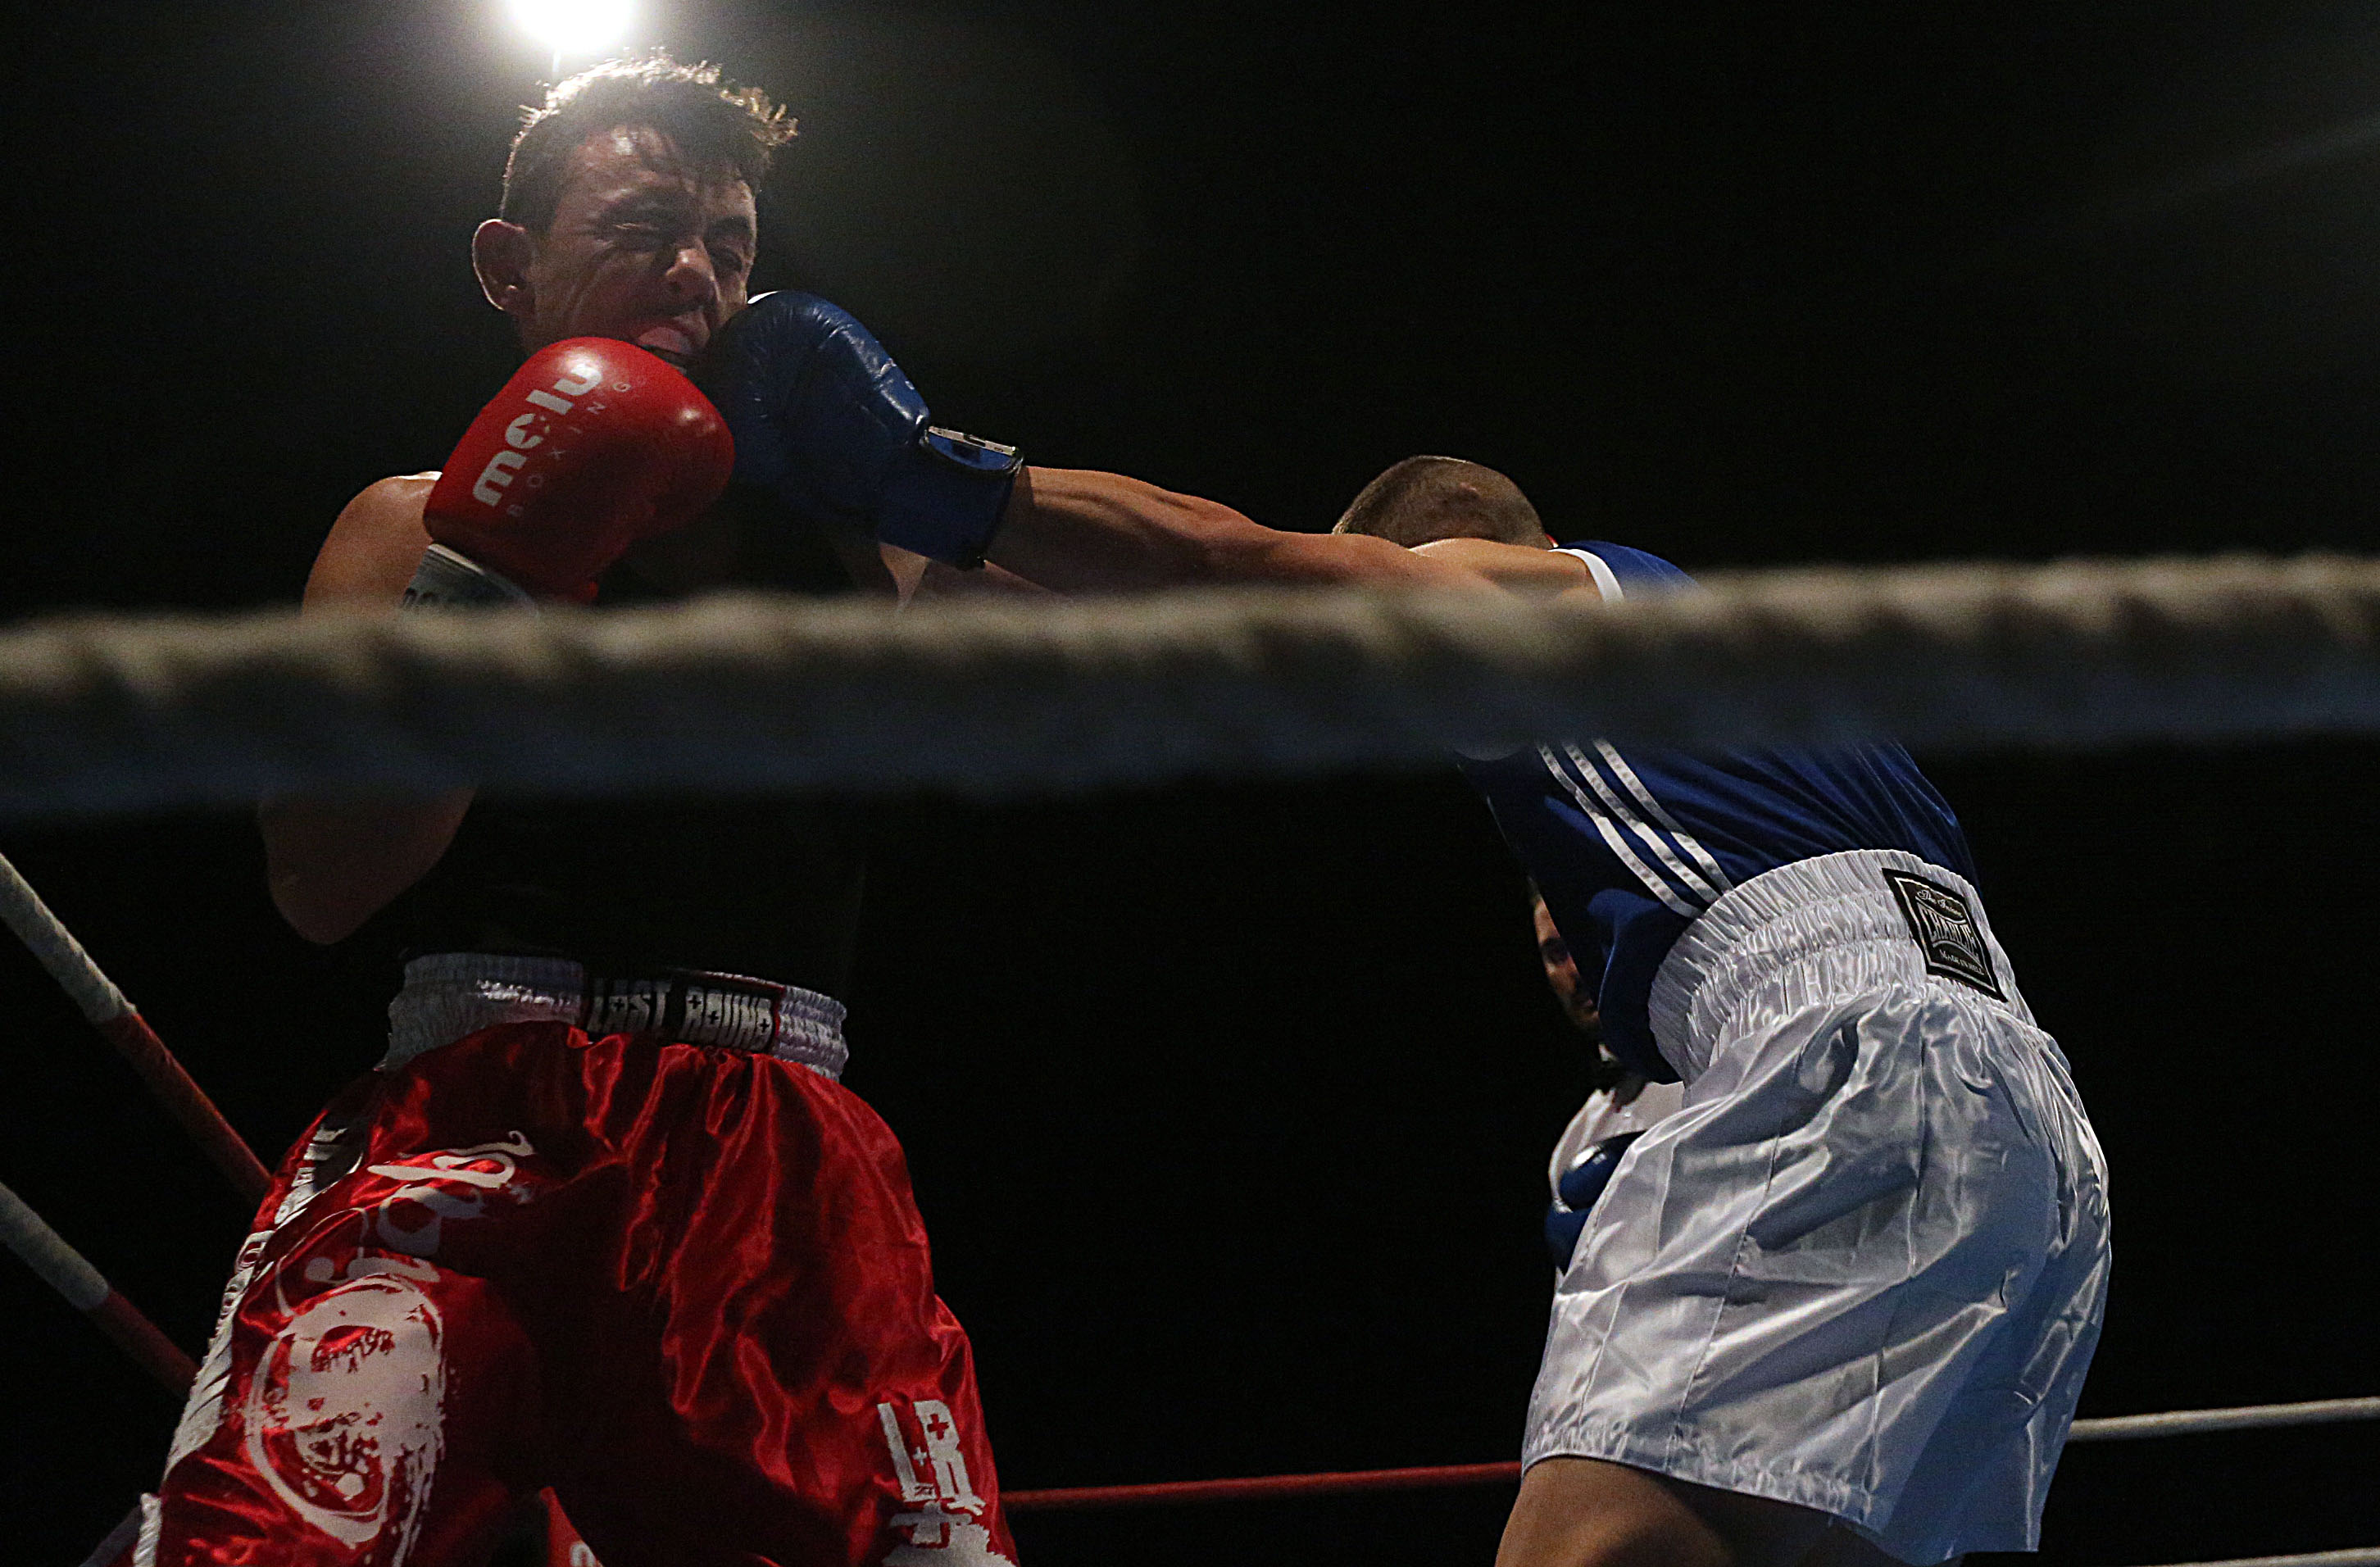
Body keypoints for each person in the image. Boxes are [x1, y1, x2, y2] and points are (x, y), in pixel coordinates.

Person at [713, 302, 2109, 1566]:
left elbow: (1229, 570)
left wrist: (925, 478)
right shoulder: (1771, 704)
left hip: (1838, 1071)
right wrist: (892, 551)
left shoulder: (1533, 600)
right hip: (2021, 1129)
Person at [143, 57, 1029, 1567]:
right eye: (640, 225)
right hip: (482, 1117)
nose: (695, 272)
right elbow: (320, 877)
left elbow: (1124, 642)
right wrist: (492, 582)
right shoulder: (404, 526)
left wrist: (931, 475)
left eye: (731, 244)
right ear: (508, 264)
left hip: (781, 1159)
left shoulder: (851, 547)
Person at [1531, 883, 1684, 1276]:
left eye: (1581, 941)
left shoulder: (1713, 1072)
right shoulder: (1573, 1149)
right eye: (1556, 953)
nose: (1576, 970)